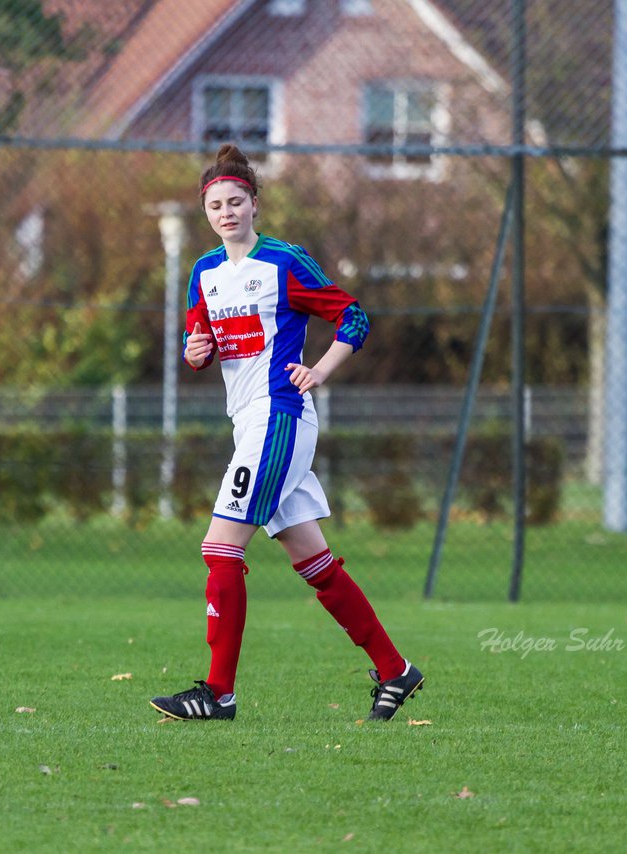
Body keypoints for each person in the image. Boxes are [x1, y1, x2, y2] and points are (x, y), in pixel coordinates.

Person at [149, 143, 424, 723]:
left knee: (219, 549)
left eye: (236, 201)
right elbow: (198, 341)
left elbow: (353, 316)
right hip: (247, 422)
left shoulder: (285, 262)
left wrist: (319, 370)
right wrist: (194, 350)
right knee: (314, 562)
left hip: (280, 417)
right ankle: (395, 669)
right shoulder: (204, 271)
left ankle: (218, 693)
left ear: (254, 204)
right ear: (207, 212)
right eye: (215, 205)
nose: (226, 212)